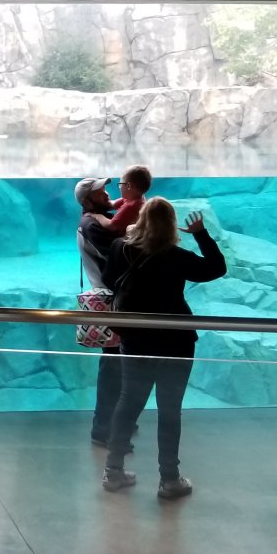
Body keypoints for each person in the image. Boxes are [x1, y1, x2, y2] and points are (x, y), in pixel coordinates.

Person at [99, 197, 226, 500]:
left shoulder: (121, 248)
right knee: (170, 410)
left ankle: (113, 471)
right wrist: (201, 234)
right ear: (171, 224)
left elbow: (107, 279)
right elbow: (216, 269)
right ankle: (169, 479)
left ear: (141, 219)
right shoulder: (175, 256)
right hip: (175, 341)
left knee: (129, 402)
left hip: (136, 338)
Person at [75, 177, 127, 450]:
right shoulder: (93, 225)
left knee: (118, 367)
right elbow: (119, 259)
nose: (106, 193)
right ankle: (104, 428)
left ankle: (115, 424)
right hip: (113, 301)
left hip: (114, 300)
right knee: (113, 368)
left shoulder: (99, 220)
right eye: (100, 191)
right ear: (87, 200)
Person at [85, 165, 151, 236]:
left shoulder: (131, 206)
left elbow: (111, 226)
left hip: (126, 239)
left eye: (120, 184)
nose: (119, 187)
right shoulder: (136, 198)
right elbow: (112, 204)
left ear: (129, 186)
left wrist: (95, 215)